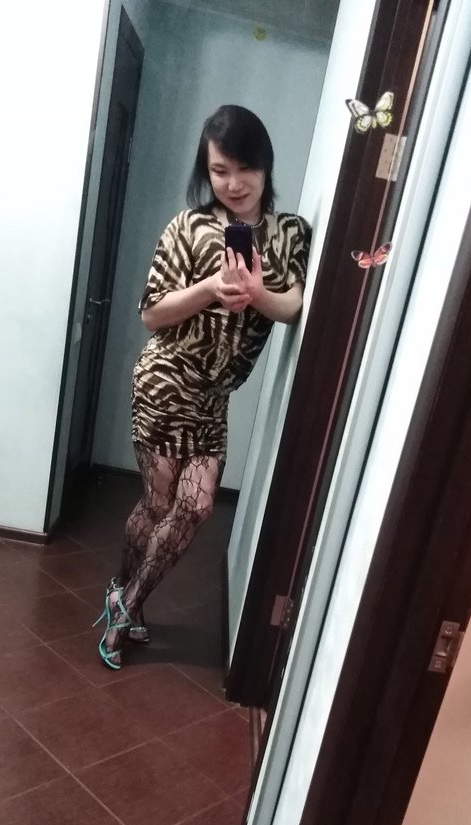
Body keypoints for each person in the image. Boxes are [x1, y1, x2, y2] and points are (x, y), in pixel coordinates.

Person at [95, 104, 311, 670]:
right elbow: (151, 313)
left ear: (265, 164)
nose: (234, 183)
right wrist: (212, 287)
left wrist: (256, 295)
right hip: (167, 379)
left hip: (215, 396)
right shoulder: (187, 228)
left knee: (195, 505)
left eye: (245, 167)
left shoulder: (291, 233)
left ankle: (124, 600)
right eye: (220, 170)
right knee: (161, 502)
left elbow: (294, 304)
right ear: (206, 170)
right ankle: (125, 599)